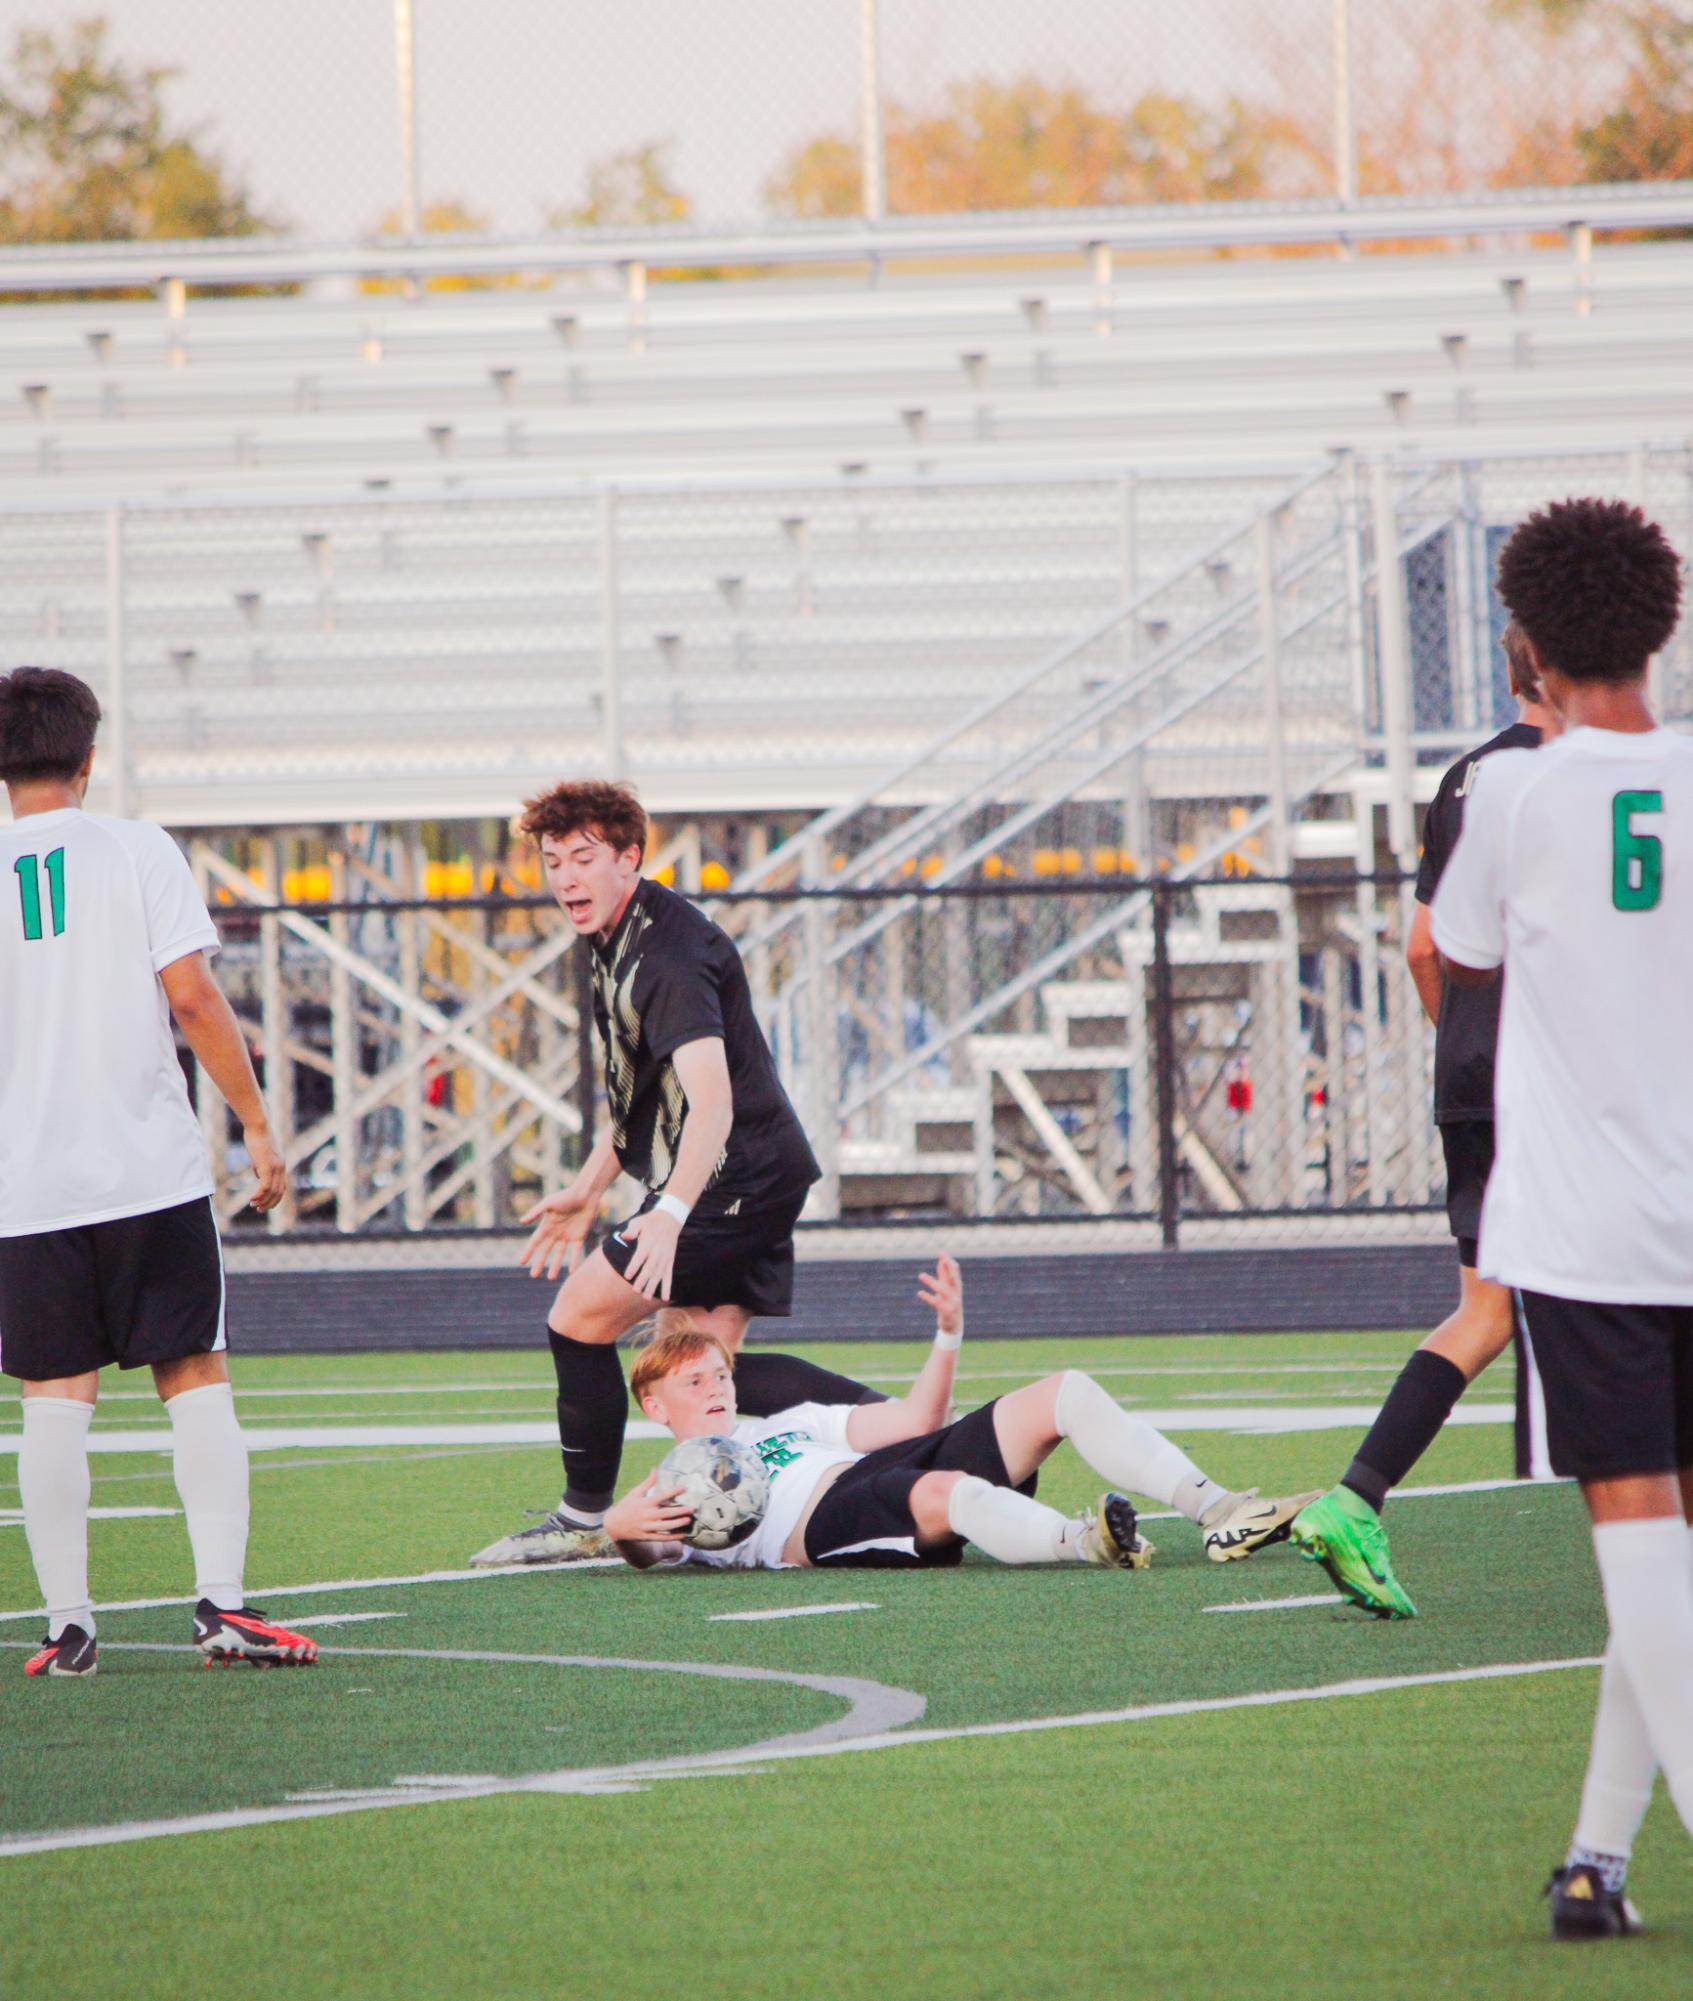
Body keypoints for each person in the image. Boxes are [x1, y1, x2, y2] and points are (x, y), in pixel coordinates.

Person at [1429, 497, 1691, 1939]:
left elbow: (1456, 951)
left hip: (1586, 1231)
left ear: (1525, 647)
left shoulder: (1513, 793)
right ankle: (1596, 1856)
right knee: (1668, 1570)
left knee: (1640, 1544)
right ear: (1663, 626)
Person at [0, 667, 316, 1675]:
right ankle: (222, 1607)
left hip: (28, 1185)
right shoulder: (137, 849)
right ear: (89, 758)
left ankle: (68, 1625)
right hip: (150, 1172)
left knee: (53, 1396)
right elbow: (190, 996)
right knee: (194, 1377)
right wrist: (259, 1128)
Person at [471, 782, 877, 1566]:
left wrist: (669, 1210)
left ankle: (581, 1518)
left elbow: (713, 1103)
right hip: (750, 1172)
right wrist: (591, 1187)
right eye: (553, 861)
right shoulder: (617, 932)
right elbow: (643, 1092)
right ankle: (882, 1439)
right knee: (697, 1373)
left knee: (579, 1317)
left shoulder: (665, 954)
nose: (565, 877)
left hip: (733, 1178)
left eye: (584, 858)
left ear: (630, 857)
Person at [1291, 622, 1553, 1618]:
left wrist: (1464, 1045)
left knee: (1485, 1311)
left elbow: (1419, 949)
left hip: (1469, 1076)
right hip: (1557, 1083)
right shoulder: (1585, 775)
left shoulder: (1461, 780)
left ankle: (1356, 1498)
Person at [607, 1255, 1319, 1573]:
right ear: (653, 1401)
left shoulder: (787, 1423)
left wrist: (948, 1331)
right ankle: (1084, 1542)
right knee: (943, 1492)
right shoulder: (672, 1485)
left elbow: (916, 1420)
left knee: (1062, 1391)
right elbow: (660, 1548)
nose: (716, 1386)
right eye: (694, 1378)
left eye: (721, 1373)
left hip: (869, 1469)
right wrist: (619, 1530)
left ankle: (1218, 1507)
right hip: (822, 1524)